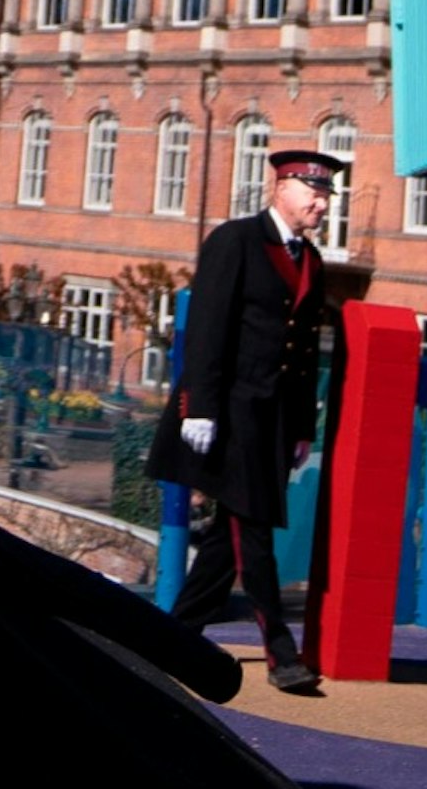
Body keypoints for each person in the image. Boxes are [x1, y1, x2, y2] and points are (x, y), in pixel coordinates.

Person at [155, 145, 347, 695]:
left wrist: (303, 425)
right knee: (253, 526)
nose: (321, 204)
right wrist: (202, 408)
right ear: (280, 188)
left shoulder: (310, 260)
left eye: (326, 194)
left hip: (272, 421)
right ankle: (280, 652)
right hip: (230, 414)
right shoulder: (235, 241)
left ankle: (171, 635)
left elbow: (305, 350)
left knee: (226, 539)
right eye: (313, 192)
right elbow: (209, 328)